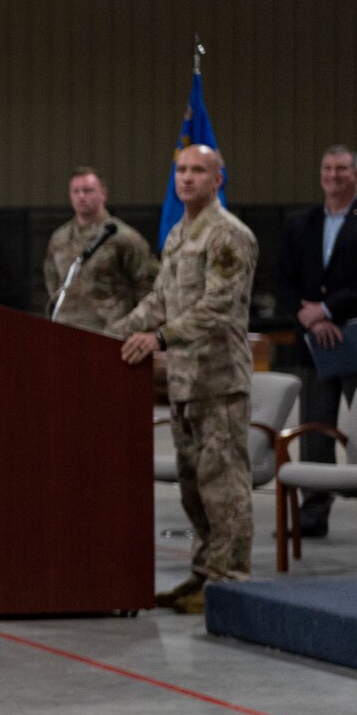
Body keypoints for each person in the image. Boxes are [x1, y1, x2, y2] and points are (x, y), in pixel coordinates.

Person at [112, 145, 258, 614]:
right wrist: (104, 339)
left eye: (198, 170)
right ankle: (203, 573)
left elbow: (217, 308)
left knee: (224, 485)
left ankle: (229, 580)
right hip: (183, 383)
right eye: (181, 170)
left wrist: (159, 338)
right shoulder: (177, 234)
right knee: (194, 487)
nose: (187, 178)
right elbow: (158, 301)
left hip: (218, 381)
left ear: (219, 180)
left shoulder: (229, 236)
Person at [278, 145, 357, 540]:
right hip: (313, 344)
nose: (333, 175)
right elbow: (283, 278)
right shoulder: (300, 222)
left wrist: (328, 310)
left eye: (342, 169)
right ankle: (313, 514)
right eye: (327, 168)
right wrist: (309, 317)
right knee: (315, 431)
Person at [42, 168, 156, 332]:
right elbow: (53, 281)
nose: (81, 196)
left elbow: (148, 287)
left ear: (103, 194)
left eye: (88, 190)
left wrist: (137, 328)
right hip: (66, 329)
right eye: (76, 191)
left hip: (110, 332)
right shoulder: (59, 238)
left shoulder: (124, 237)